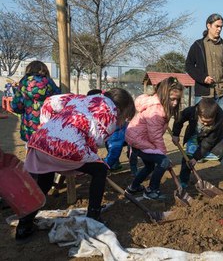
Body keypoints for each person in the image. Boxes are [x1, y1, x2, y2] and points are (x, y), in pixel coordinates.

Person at [15, 88, 135, 242]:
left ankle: (24, 227)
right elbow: (96, 141)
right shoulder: (110, 111)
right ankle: (93, 215)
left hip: (40, 141)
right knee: (100, 170)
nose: (121, 121)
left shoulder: (80, 98)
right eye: (124, 116)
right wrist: (93, 157)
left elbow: (49, 102)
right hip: (66, 147)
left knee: (44, 182)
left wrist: (50, 127)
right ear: (119, 109)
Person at [171, 98, 223, 194]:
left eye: (209, 122)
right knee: (187, 159)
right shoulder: (192, 111)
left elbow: (208, 143)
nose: (205, 124)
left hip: (215, 141)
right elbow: (180, 118)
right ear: (198, 113)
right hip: (195, 136)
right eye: (203, 121)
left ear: (215, 116)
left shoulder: (218, 121)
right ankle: (183, 182)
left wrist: (196, 158)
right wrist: (175, 134)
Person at [124, 77, 183, 200]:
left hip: (138, 139)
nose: (175, 103)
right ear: (163, 95)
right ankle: (151, 190)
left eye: (178, 99)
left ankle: (133, 187)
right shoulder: (156, 111)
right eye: (172, 99)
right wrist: (163, 154)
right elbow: (155, 136)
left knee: (150, 166)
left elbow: (154, 134)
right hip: (139, 141)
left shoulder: (159, 106)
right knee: (164, 162)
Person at [185, 13, 223, 115]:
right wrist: (203, 78)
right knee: (199, 127)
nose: (219, 29)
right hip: (203, 94)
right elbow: (189, 65)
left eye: (221, 27)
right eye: (217, 26)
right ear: (209, 25)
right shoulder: (197, 45)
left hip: (222, 93)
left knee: (218, 127)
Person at [11, 60, 61, 142]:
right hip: (48, 128)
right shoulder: (49, 82)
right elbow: (59, 102)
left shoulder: (23, 83)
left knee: (31, 153)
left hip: (29, 129)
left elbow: (15, 106)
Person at [87, 89, 129, 172]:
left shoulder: (110, 110)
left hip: (117, 132)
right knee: (110, 148)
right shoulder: (102, 108)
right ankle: (114, 164)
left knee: (113, 151)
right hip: (111, 133)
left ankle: (109, 166)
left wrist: (103, 167)